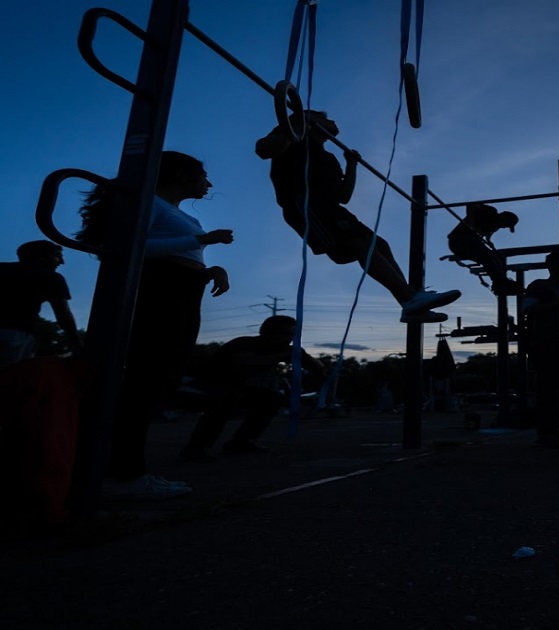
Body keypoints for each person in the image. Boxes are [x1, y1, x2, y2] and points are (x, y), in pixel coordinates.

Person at [78, 150, 235, 499]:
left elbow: (175, 252)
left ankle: (127, 471)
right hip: (161, 292)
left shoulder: (173, 211)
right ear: (180, 174)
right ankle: (124, 475)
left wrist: (208, 267)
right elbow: (132, 247)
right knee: (143, 383)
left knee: (157, 381)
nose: (208, 183)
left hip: (183, 291)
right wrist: (202, 240)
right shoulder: (151, 203)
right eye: (202, 175)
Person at [255, 110, 460, 323]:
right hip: (306, 207)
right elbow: (263, 149)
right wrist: (299, 121)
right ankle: (410, 298)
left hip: (332, 208)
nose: (332, 119)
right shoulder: (293, 138)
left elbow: (344, 196)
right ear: (311, 120)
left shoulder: (328, 157)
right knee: (359, 244)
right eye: (324, 116)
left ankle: (409, 304)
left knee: (379, 244)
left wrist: (351, 165)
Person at [179, 315, 323, 461]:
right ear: (267, 332)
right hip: (198, 383)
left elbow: (318, 367)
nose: (289, 338)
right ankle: (195, 447)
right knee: (228, 396)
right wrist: (281, 355)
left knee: (271, 399)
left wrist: (304, 356)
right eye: (285, 334)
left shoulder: (282, 350)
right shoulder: (245, 343)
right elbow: (245, 363)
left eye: (292, 335)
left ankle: (241, 442)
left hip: (233, 388)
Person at [0, 241, 83, 370]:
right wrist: (75, 340)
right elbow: (63, 315)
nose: (61, 262)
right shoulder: (52, 278)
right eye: (57, 256)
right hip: (15, 337)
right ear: (41, 258)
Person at [520, 251, 559, 447]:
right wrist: (558, 303)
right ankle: (546, 433)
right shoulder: (539, 285)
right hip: (545, 341)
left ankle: (555, 430)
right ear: (551, 266)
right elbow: (526, 308)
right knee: (548, 387)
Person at [447, 203, 521, 295]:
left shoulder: (495, 226)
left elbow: (488, 235)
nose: (504, 227)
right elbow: (470, 205)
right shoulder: (490, 211)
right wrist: (473, 225)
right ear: (503, 217)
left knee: (498, 256)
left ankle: (502, 280)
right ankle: (499, 282)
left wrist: (491, 245)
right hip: (459, 240)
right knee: (487, 256)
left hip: (472, 243)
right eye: (505, 224)